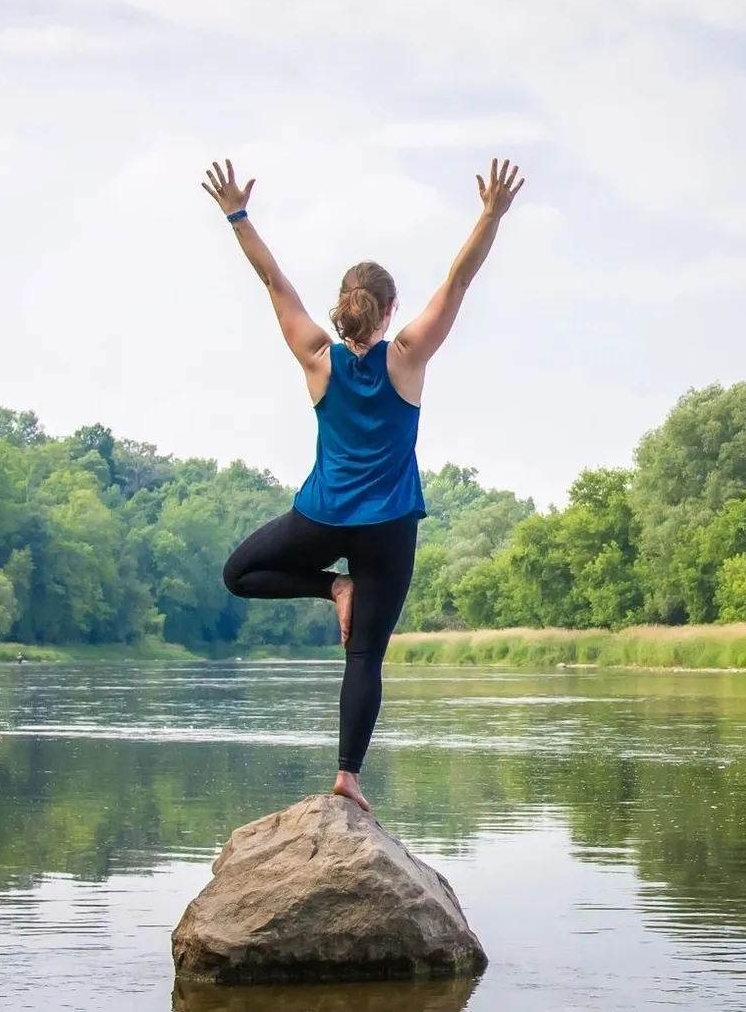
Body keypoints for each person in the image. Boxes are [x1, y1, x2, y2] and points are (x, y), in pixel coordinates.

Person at [202, 157, 525, 813]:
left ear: (345, 305)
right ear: (390, 308)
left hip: (321, 518)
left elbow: (273, 280)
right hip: (389, 528)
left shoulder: (316, 357)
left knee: (239, 574)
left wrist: (237, 214)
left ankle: (332, 586)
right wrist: (490, 215)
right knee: (365, 658)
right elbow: (459, 281)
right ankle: (347, 776)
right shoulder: (406, 357)